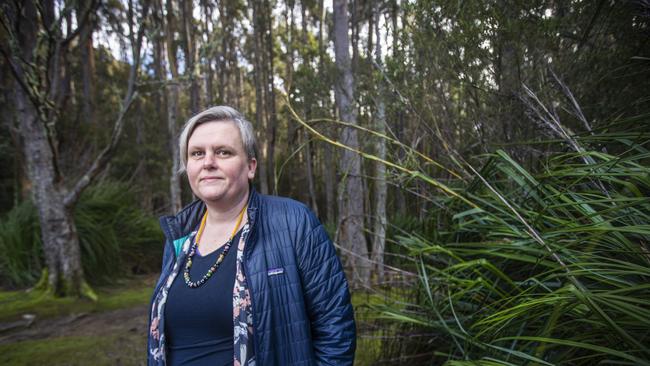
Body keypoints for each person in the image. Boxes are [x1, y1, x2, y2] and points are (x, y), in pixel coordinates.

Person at [147, 105, 356, 366]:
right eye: (197, 153)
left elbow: (335, 327)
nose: (208, 162)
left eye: (223, 152)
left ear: (250, 167)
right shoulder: (179, 238)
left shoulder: (293, 222)